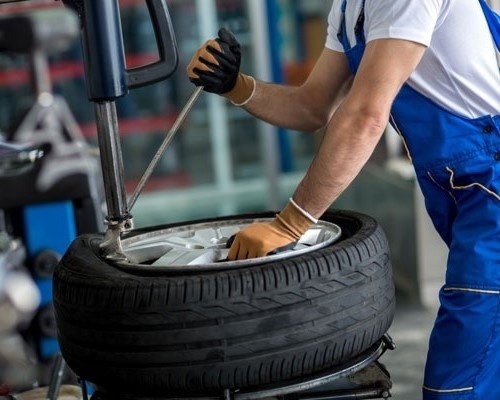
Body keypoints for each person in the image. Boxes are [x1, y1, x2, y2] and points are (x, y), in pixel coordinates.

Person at [187, 0, 500, 399]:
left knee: (458, 382)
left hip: (490, 187)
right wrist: (236, 86)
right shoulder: (350, 8)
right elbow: (312, 107)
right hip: (464, 190)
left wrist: (290, 224)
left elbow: (366, 114)